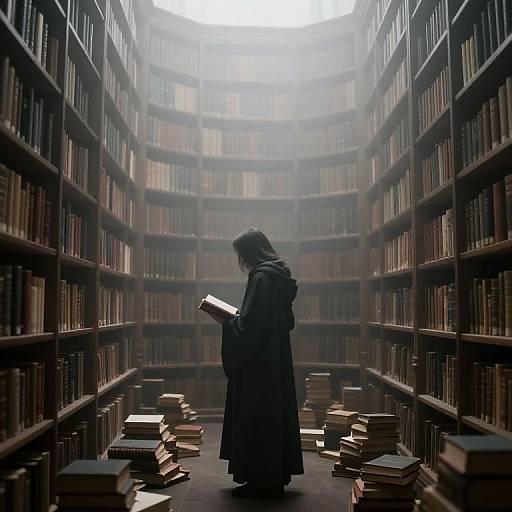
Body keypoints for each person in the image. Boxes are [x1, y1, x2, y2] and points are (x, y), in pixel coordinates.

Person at [206, 227, 303, 499]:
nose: (242, 261)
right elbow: (285, 322)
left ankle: (260, 480)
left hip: (258, 366)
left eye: (242, 254)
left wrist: (227, 320)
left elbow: (249, 328)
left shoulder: (260, 278)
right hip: (274, 360)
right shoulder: (278, 276)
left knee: (257, 417)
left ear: (250, 252)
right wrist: (241, 318)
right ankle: (273, 477)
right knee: (272, 416)